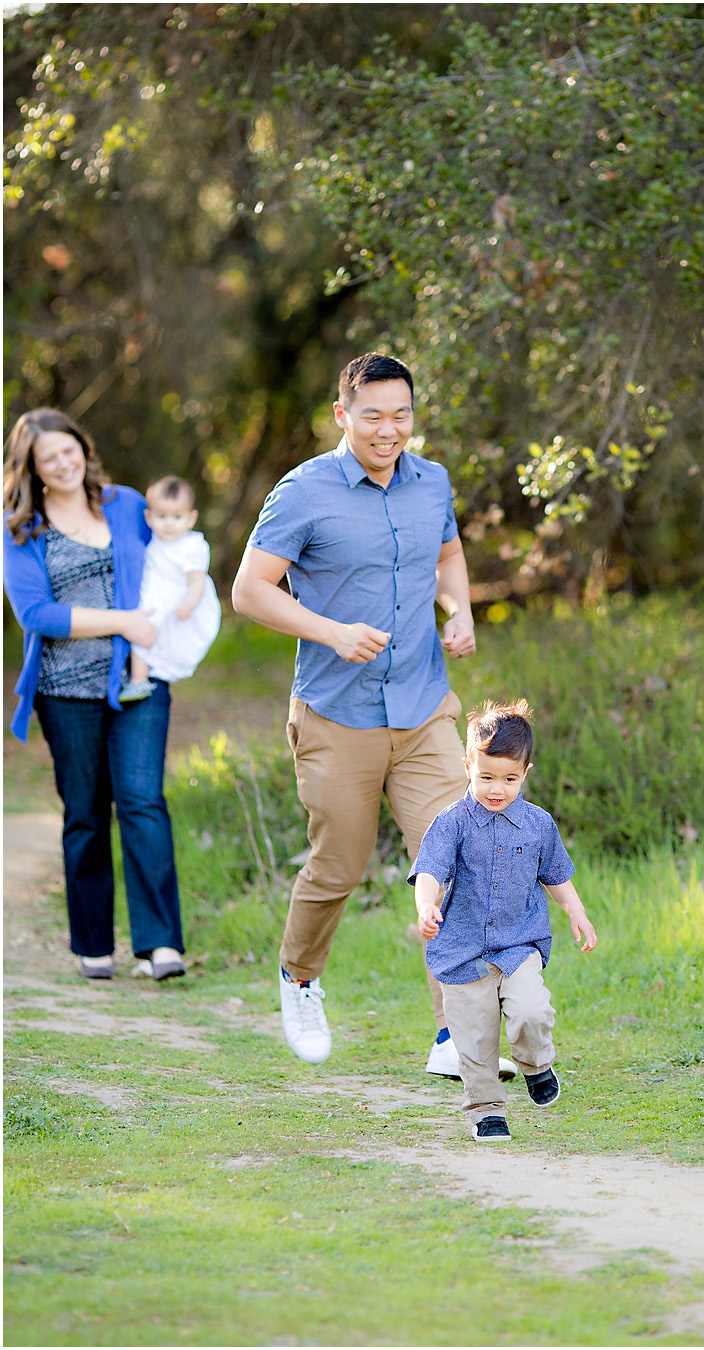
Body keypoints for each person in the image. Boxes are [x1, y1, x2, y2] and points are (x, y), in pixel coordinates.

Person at [232, 351, 516, 1079]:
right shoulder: (303, 492)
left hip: (423, 708)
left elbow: (447, 556)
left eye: (402, 416)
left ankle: (456, 1034)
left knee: (455, 858)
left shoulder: (432, 483)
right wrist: (330, 631)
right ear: (342, 415)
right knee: (340, 864)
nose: (389, 430)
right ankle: (298, 980)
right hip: (337, 712)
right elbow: (249, 591)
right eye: (373, 416)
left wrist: (460, 610)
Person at [3, 407, 186, 981]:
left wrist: (186, 610)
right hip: (64, 690)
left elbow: (178, 550)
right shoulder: (20, 529)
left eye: (68, 449)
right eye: (47, 457)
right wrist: (122, 621)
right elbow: (37, 613)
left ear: (83, 447)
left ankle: (161, 945)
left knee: (142, 802)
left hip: (140, 681)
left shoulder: (127, 505)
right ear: (31, 468)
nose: (62, 463)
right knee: (84, 812)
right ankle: (92, 946)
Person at [409, 700, 597, 1141]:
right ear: (468, 766)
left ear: (526, 773)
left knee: (533, 1010)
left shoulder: (538, 825)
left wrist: (577, 912)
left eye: (510, 779)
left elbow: (556, 875)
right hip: (462, 949)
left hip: (519, 944)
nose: (498, 789)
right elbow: (431, 870)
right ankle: (486, 1110)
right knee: (473, 1042)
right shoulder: (451, 822)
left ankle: (536, 1064)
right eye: (487, 777)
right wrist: (426, 905)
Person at [121, 475, 221, 702]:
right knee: (142, 630)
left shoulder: (192, 546)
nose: (168, 523)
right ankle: (139, 679)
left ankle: (145, 678)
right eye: (162, 516)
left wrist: (188, 604)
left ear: (191, 518)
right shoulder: (153, 540)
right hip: (154, 595)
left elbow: (197, 581)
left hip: (177, 598)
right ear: (148, 517)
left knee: (164, 635)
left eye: (177, 517)